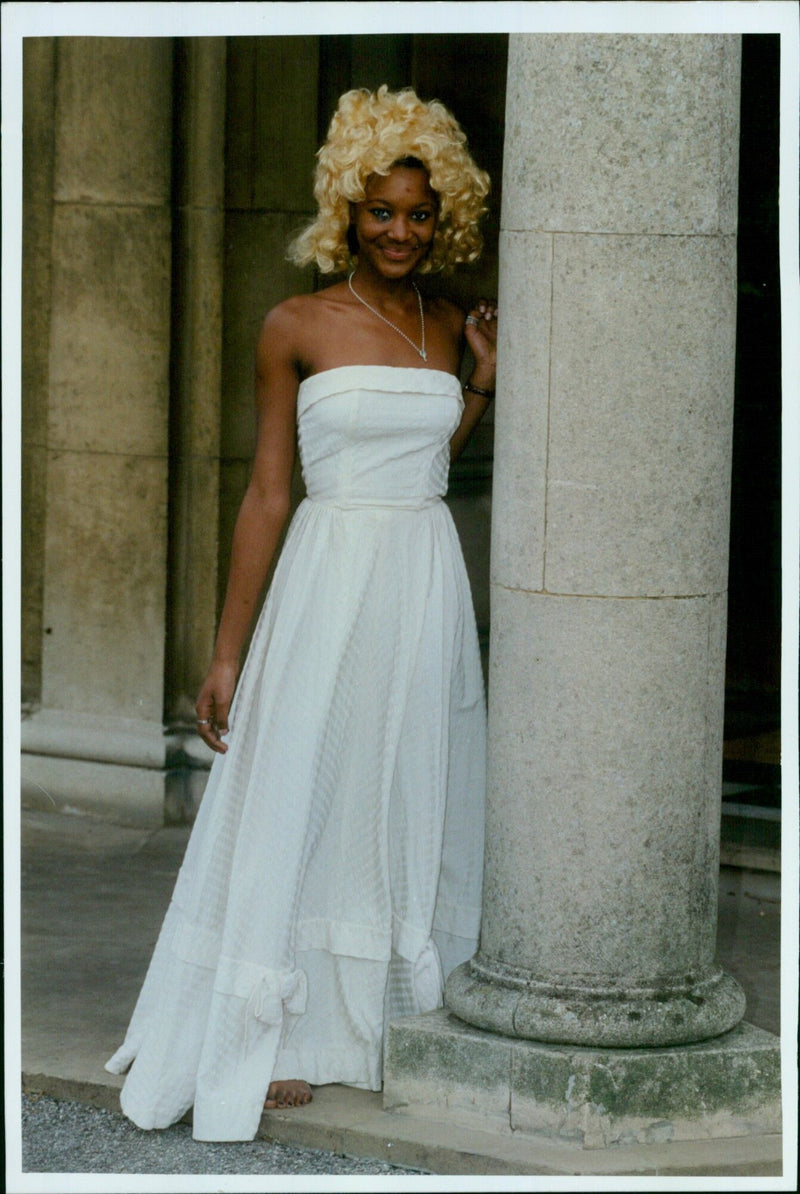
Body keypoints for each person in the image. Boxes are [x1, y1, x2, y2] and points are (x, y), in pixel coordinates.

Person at [106, 84, 497, 1143]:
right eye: (381, 211)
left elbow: (419, 468)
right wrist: (227, 654)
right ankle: (268, 1031)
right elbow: (270, 491)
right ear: (346, 210)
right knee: (301, 786)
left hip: (421, 583)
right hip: (324, 583)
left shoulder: (453, 320)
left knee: (398, 779)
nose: (402, 232)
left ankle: (372, 1025)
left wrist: (475, 393)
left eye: (420, 212)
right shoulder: (296, 323)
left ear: (444, 212)